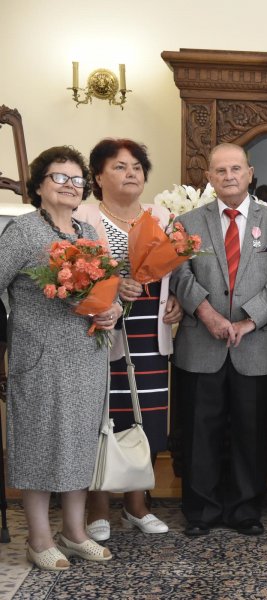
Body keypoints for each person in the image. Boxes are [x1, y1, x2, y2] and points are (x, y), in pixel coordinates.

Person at [0, 146, 122, 569]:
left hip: (87, 358)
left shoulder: (86, 234)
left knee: (78, 445)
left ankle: (75, 532)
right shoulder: (22, 233)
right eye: (60, 178)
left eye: (77, 180)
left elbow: (108, 291)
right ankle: (38, 538)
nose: (71, 187)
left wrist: (112, 311)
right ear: (38, 186)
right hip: (40, 359)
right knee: (40, 443)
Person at [170, 143, 267, 537]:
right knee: (199, 433)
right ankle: (201, 512)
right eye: (220, 171)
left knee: (250, 433)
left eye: (236, 169)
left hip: (254, 346)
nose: (229, 176)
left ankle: (244, 510)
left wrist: (248, 322)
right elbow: (180, 275)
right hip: (201, 343)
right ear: (209, 177)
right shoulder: (187, 222)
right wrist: (207, 314)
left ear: (250, 173)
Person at [75, 138, 182, 541]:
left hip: (149, 333)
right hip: (99, 333)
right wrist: (113, 284)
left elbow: (177, 273)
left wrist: (179, 304)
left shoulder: (162, 215)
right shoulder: (82, 215)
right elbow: (77, 271)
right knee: (103, 418)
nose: (131, 172)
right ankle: (98, 507)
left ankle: (137, 506)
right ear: (98, 176)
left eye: (136, 165)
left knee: (147, 419)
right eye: (119, 166)